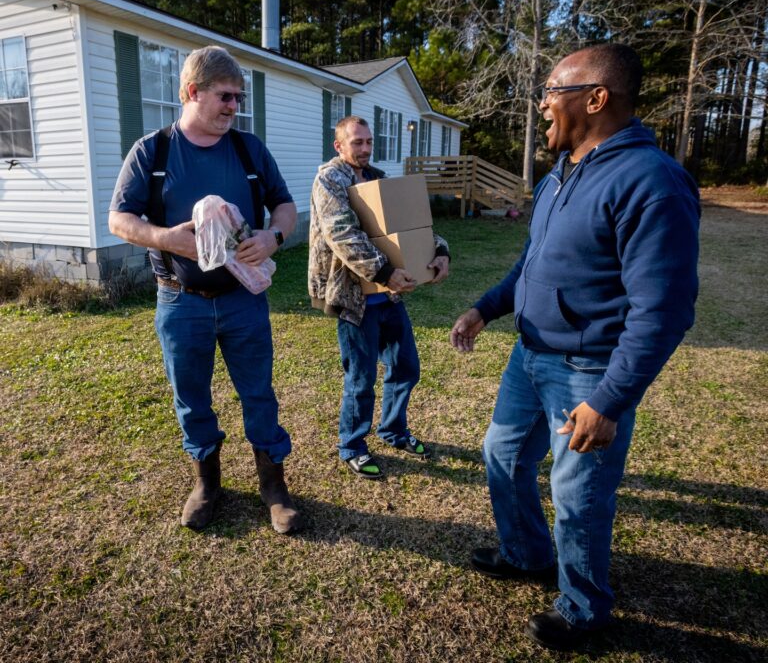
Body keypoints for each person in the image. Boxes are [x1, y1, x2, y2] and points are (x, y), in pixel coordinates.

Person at [450, 43, 699, 651]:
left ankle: (584, 610)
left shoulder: (651, 182)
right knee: (504, 456)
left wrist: (609, 401)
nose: (541, 105)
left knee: (578, 496)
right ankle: (526, 554)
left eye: (551, 91)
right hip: (529, 355)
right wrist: (485, 308)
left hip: (589, 370)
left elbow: (664, 310)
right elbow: (532, 263)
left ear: (595, 98)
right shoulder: (560, 173)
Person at [109, 45, 302, 535]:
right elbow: (119, 219)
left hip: (244, 299)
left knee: (258, 394)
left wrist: (273, 237)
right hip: (180, 301)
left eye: (238, 97)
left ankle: (273, 487)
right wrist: (166, 238)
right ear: (193, 92)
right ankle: (206, 484)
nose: (234, 106)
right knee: (191, 397)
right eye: (225, 96)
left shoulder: (249, 149)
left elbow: (285, 206)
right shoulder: (152, 151)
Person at [309, 116, 450, 479]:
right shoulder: (330, 179)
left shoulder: (378, 178)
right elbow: (342, 234)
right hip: (354, 298)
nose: (366, 148)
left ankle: (393, 430)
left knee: (405, 367)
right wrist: (386, 272)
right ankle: (352, 445)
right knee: (361, 378)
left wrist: (440, 251)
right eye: (357, 142)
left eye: (369, 141)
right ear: (339, 145)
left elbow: (411, 224)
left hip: (389, 297)